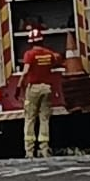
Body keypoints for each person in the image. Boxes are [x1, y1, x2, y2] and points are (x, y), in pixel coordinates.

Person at [19, 28, 59, 157]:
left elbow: (25, 71)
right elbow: (56, 61)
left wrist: (19, 86)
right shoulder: (49, 54)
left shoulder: (29, 55)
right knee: (44, 118)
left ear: (30, 42)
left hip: (34, 89)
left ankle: (29, 150)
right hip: (47, 88)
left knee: (30, 118)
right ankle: (44, 148)